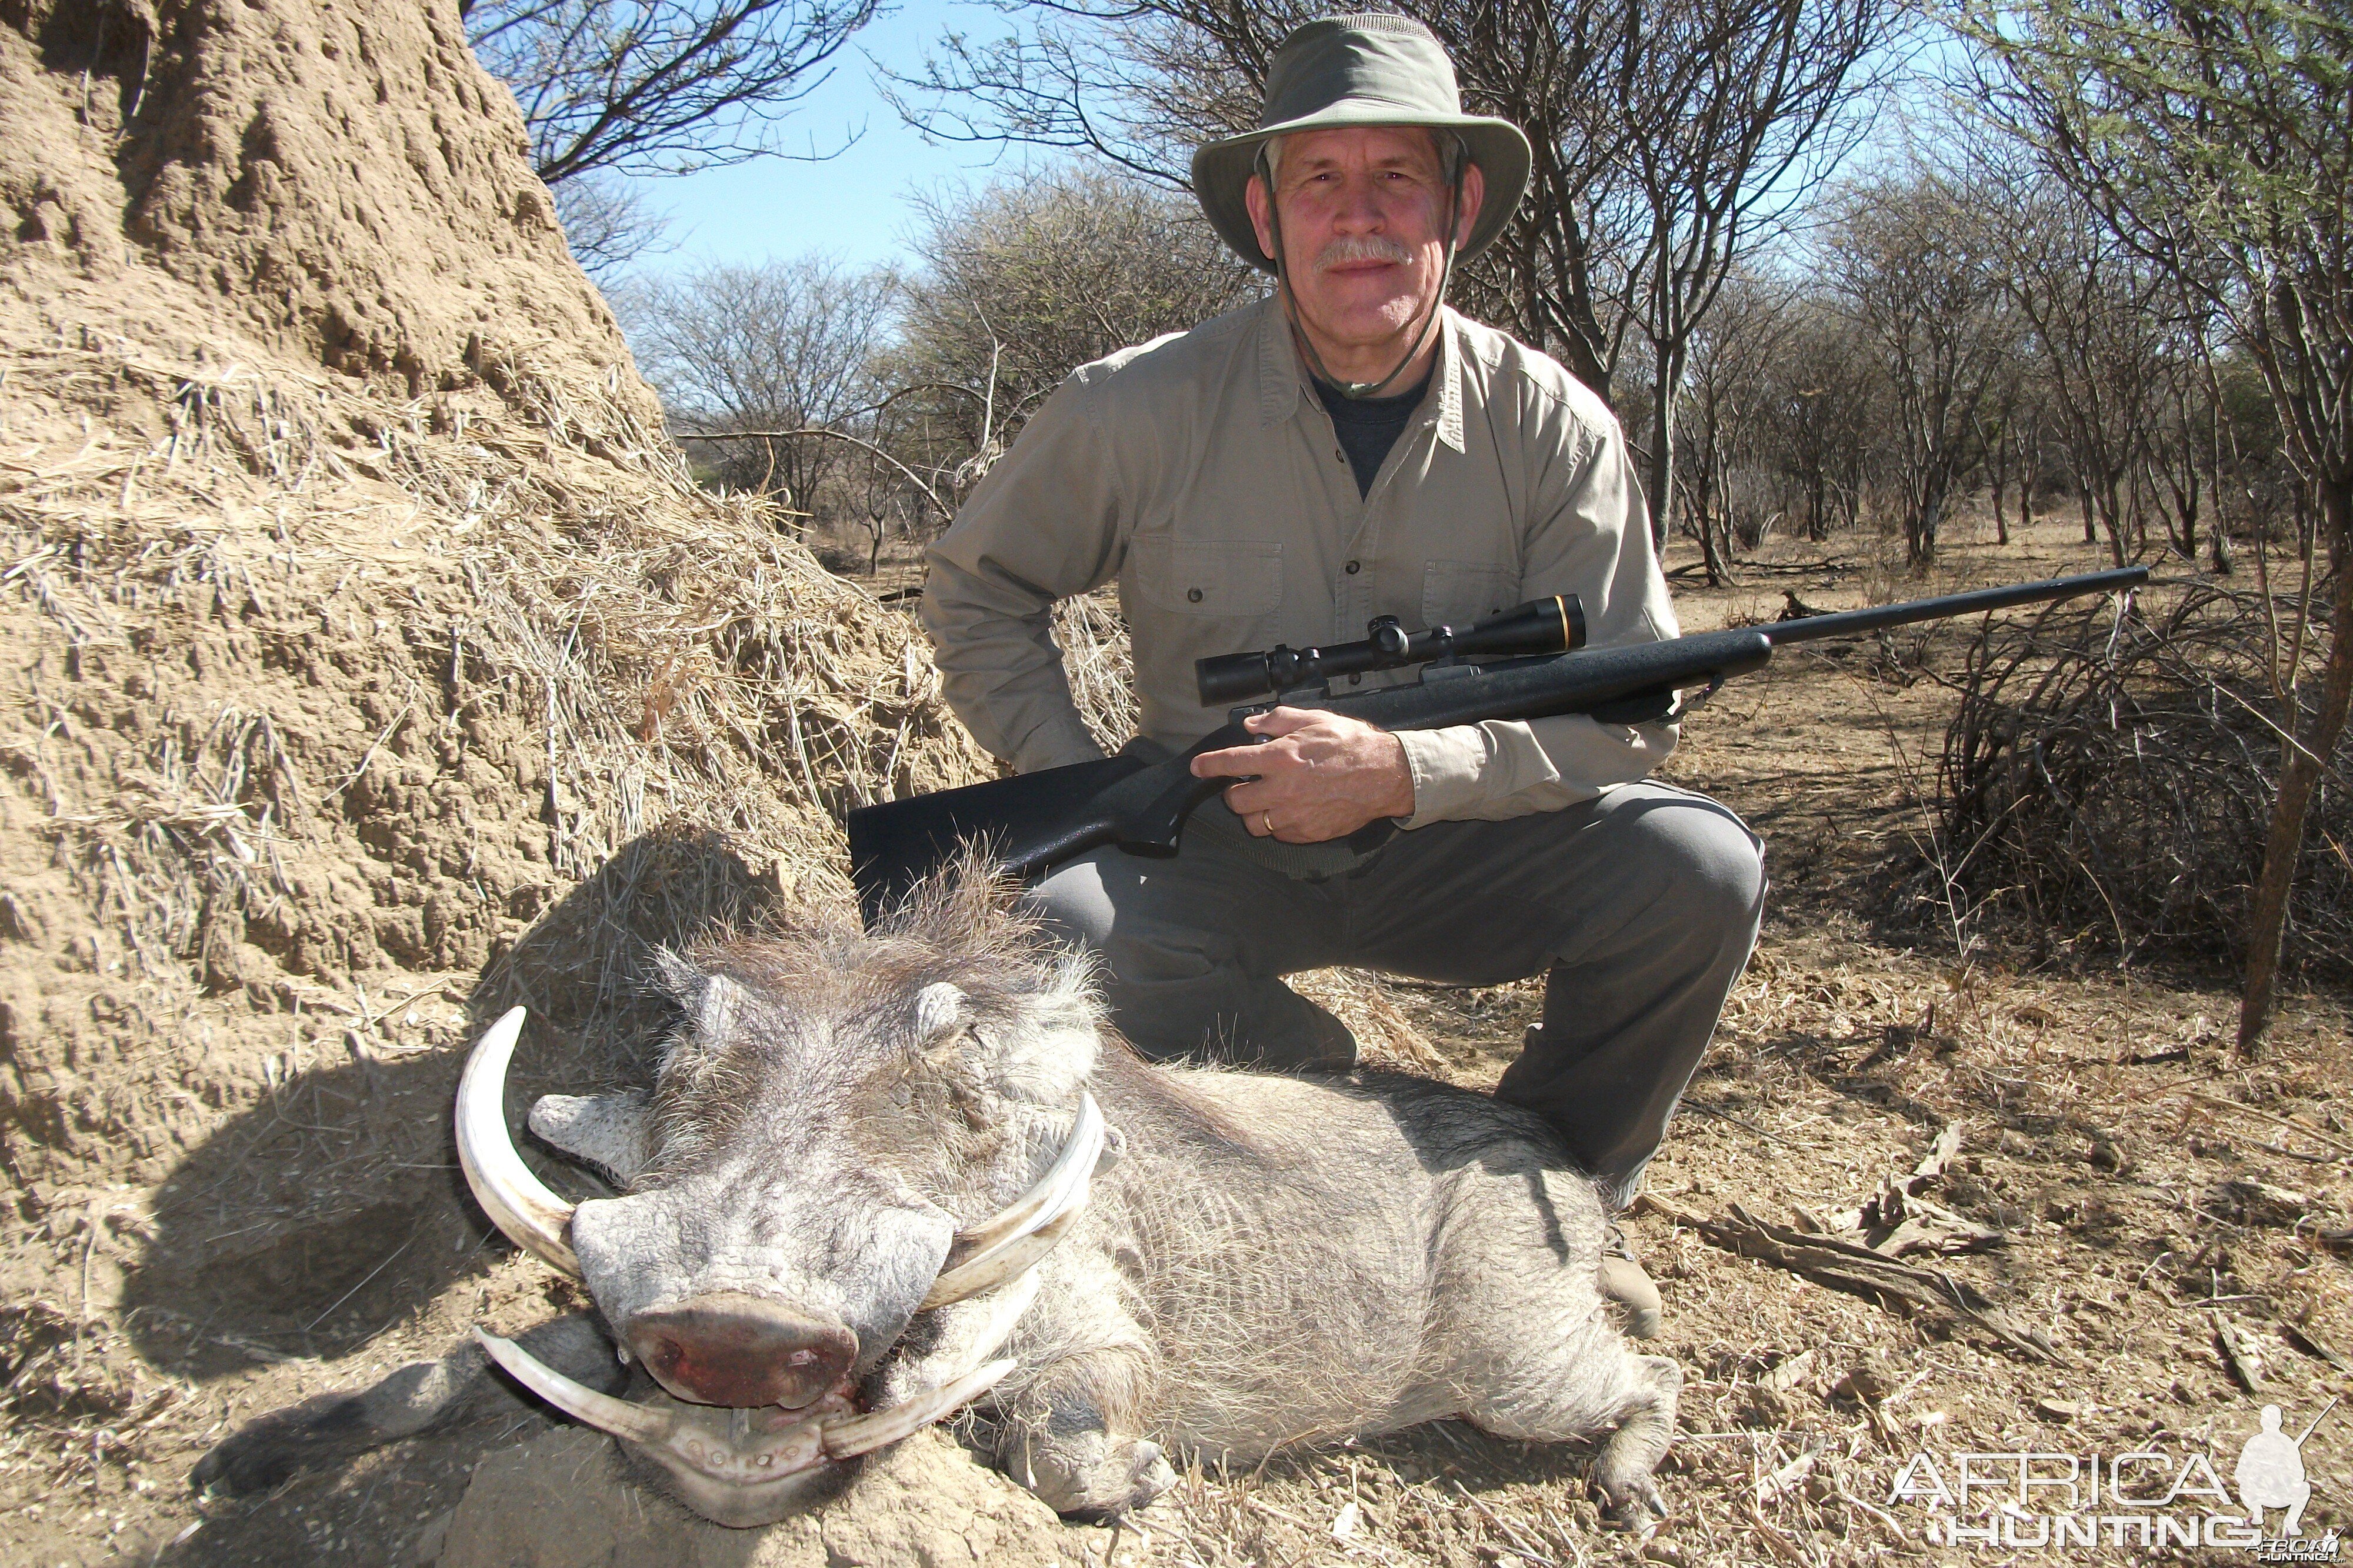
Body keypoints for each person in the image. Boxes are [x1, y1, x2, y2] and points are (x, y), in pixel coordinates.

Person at [919, 12, 1765, 1337]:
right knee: (1046, 926)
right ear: (1264, 215)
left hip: (1467, 842)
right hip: (1209, 844)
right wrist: (1082, 780)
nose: (1357, 220)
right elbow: (979, 589)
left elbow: (1626, 706)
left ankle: (1556, 1191)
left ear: (1458, 205)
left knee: (1697, 870)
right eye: (1319, 181)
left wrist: (1405, 770)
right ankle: (1322, 1091)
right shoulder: (1131, 405)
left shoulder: (1552, 426)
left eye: (1397, 182)